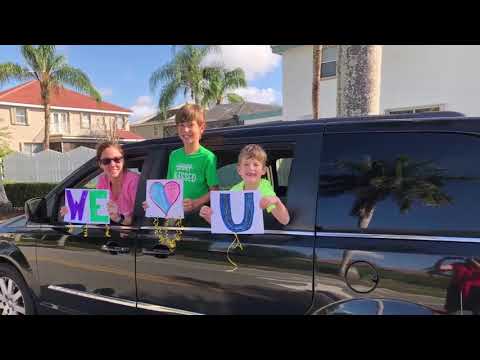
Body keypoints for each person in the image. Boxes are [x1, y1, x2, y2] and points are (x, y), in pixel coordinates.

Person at [143, 104, 219, 214]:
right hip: (176, 215)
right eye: (181, 125)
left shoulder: (208, 157)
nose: (185, 130)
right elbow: (169, 186)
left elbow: (215, 190)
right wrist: (153, 203)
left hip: (197, 216)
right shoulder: (174, 155)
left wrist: (196, 202)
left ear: (201, 128)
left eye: (190, 125)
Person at [199, 144, 290, 226]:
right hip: (240, 240)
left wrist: (276, 202)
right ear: (239, 170)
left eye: (256, 164)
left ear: (263, 170)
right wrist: (209, 216)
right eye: (246, 164)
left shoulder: (264, 189)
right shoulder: (235, 190)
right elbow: (225, 224)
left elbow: (285, 220)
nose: (251, 168)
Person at [60, 141, 140, 226]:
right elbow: (97, 212)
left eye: (117, 159)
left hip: (133, 233)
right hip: (112, 232)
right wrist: (74, 212)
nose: (113, 164)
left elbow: (140, 219)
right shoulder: (103, 180)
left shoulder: (134, 181)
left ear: (123, 160)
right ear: (100, 164)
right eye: (106, 161)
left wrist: (118, 219)